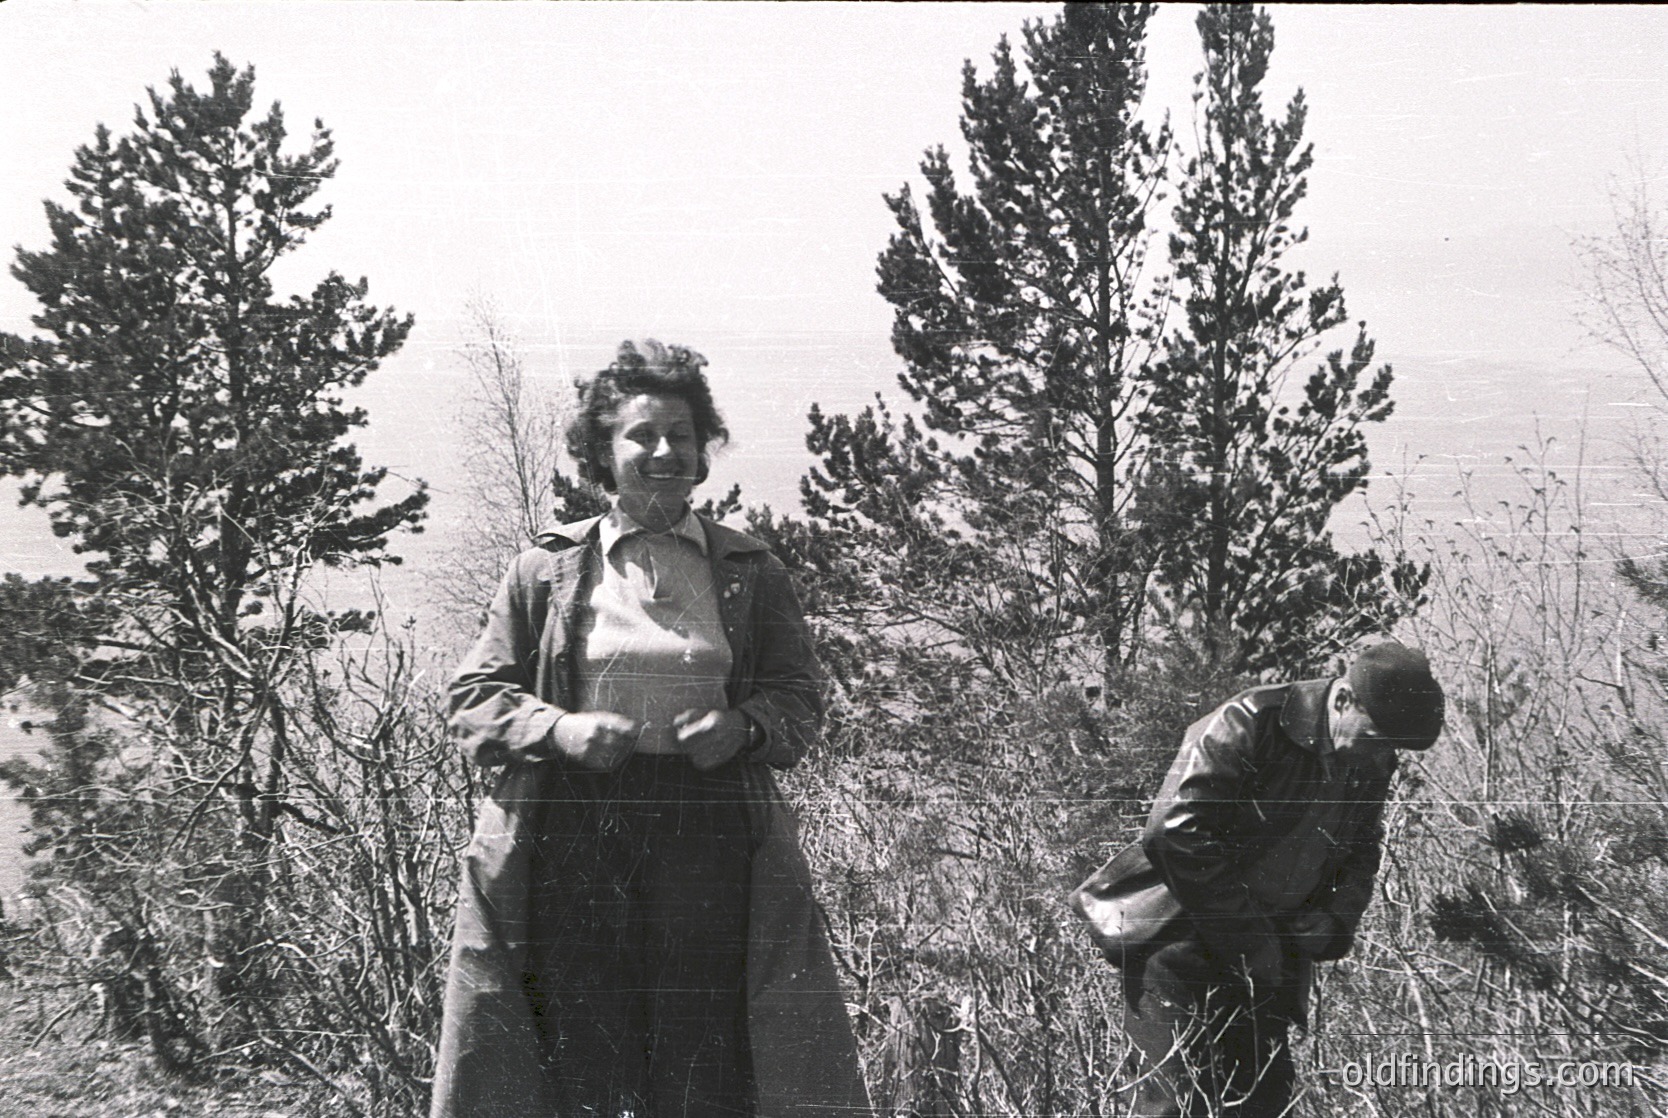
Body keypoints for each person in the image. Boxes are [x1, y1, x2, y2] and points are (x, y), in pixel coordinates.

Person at [430, 340, 869, 1118]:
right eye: (641, 435)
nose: (664, 452)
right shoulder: (548, 570)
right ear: (603, 453)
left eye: (682, 436)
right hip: (574, 833)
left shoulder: (748, 569)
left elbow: (801, 701)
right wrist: (559, 730)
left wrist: (743, 726)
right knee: (584, 1044)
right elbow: (474, 698)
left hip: (710, 837)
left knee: (705, 1050)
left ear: (704, 453)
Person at [1094, 642, 1444, 1118]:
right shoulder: (1252, 720)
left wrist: (1334, 920)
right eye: (1377, 738)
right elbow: (1174, 832)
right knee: (1175, 1107)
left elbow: (1362, 850)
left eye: (1392, 748)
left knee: (1264, 1106)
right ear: (1343, 701)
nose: (1381, 757)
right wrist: (1249, 937)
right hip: (1180, 944)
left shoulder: (1369, 758)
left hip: (1269, 960)